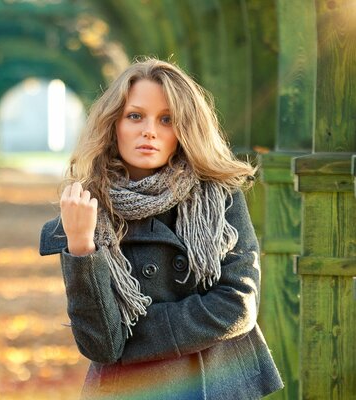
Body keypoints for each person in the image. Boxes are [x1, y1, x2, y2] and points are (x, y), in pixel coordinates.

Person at [39, 58, 284, 399]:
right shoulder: (89, 210)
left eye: (166, 119)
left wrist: (129, 337)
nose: (149, 131)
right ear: (114, 125)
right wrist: (81, 247)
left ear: (185, 129)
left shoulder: (219, 198)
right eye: (135, 116)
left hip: (215, 385)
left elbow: (238, 305)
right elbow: (101, 344)